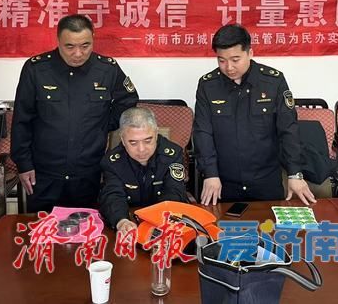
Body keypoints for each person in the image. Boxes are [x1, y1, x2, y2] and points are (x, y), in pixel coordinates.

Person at [12, 14, 139, 213]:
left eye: (85, 45)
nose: (78, 53)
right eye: (69, 47)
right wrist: (23, 164)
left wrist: (103, 125)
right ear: (58, 41)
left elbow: (128, 101)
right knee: (42, 227)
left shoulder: (107, 69)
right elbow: (22, 120)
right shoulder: (36, 69)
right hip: (44, 174)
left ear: (93, 39)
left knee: (88, 227)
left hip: (89, 173)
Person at [192, 24, 316, 206]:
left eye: (235, 59)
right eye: (221, 60)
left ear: (250, 53)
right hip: (221, 183)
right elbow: (203, 132)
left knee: (269, 224)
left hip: (266, 181)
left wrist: (294, 173)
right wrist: (210, 173)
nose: (229, 67)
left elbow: (288, 130)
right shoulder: (208, 85)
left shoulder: (273, 82)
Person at [98, 107, 188, 233]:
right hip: (130, 221)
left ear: (156, 134)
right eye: (133, 143)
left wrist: (160, 222)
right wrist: (121, 221)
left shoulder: (173, 155)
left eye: (148, 140)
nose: (141, 149)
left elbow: (174, 192)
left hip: (165, 222)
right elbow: (112, 195)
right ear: (122, 139)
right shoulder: (112, 162)